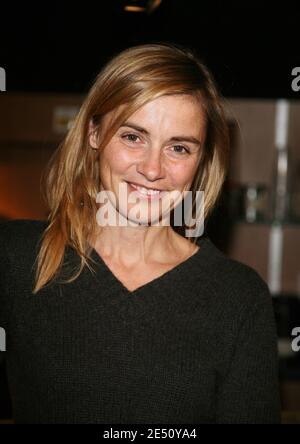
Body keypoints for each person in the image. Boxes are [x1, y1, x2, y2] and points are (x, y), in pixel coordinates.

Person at [0, 43, 281, 424]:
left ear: (201, 161)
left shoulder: (238, 298)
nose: (152, 169)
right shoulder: (15, 259)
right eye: (133, 137)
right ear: (94, 133)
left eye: (178, 147)